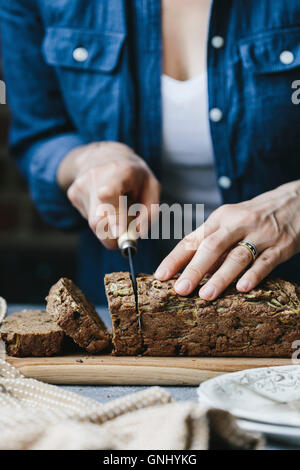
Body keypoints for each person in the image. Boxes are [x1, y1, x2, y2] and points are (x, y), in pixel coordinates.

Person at [0, 0, 299, 304]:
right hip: (117, 300)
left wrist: (294, 206)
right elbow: (39, 134)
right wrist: (87, 160)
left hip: (287, 290)